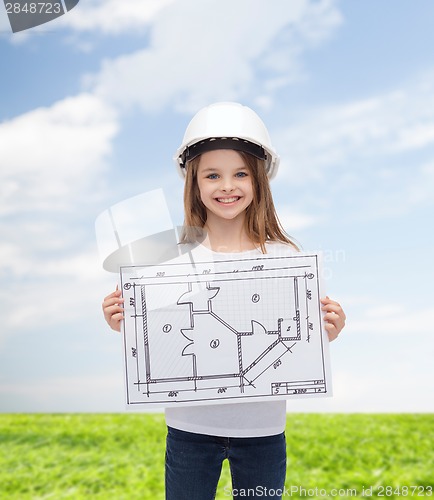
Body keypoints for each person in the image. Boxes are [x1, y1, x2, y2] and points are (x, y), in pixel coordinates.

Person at [102, 102, 346, 499]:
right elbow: (160, 336)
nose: (227, 186)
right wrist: (123, 321)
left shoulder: (283, 258)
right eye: (213, 175)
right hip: (189, 432)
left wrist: (326, 331)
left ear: (259, 180)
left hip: (263, 432)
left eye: (240, 174)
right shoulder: (169, 260)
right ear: (194, 183)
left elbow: (296, 340)